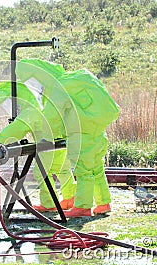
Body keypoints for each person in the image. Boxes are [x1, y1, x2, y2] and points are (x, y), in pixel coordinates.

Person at [0, 61, 76, 211]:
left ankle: (49, 204)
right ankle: (71, 198)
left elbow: (18, 128)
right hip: (61, 140)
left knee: (42, 173)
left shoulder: (30, 109)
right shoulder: (40, 102)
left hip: (47, 143)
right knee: (63, 169)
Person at [36, 66, 120, 217]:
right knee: (96, 168)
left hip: (81, 132)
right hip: (98, 131)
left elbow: (51, 116)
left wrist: (49, 137)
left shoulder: (58, 86)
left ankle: (82, 206)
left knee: (84, 170)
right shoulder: (81, 77)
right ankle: (103, 203)